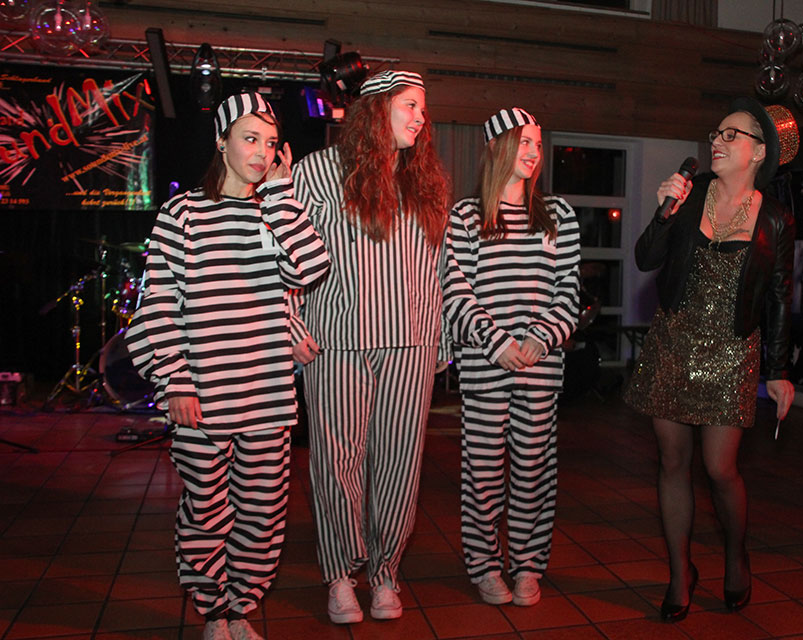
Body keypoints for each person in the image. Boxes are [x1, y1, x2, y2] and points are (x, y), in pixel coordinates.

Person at [125, 92, 330, 640]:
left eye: (270, 142)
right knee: (207, 510)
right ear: (221, 141)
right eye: (249, 138)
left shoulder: (278, 209)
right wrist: (175, 379)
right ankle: (214, 610)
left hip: (267, 394)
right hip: (204, 394)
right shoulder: (183, 213)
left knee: (263, 513)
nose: (262, 152)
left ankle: (240, 608)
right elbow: (159, 304)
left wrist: (281, 198)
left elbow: (309, 270)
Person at [623, 97, 798, 622]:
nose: (717, 142)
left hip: (733, 350)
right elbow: (645, 258)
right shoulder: (690, 193)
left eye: (731, 135)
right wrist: (664, 210)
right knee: (673, 462)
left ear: (758, 152)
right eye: (716, 133)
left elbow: (780, 296)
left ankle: (735, 554)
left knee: (720, 469)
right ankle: (680, 572)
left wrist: (779, 371)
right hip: (673, 343)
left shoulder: (775, 218)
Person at [289, 70, 450, 624]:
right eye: (410, 105)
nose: (420, 117)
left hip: (412, 344)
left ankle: (385, 573)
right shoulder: (318, 171)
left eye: (423, 108)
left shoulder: (423, 179)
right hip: (338, 340)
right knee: (338, 464)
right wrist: (290, 323)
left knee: (400, 465)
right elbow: (284, 250)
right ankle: (340, 576)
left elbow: (438, 265)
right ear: (377, 108)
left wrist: (440, 336)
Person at [443, 108, 580, 607]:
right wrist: (498, 343)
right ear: (497, 147)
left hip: (541, 367)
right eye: (524, 142)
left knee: (533, 470)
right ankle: (484, 567)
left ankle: (527, 566)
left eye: (538, 144)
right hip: (486, 366)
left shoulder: (558, 215)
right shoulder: (465, 216)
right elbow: (455, 292)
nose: (533, 153)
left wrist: (541, 338)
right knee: (482, 474)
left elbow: (569, 292)